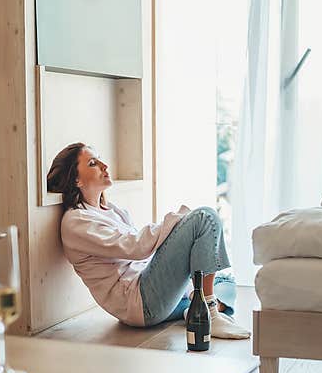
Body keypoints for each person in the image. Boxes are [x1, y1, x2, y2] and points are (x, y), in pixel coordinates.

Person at [46, 142, 251, 339]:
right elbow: (136, 248)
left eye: (100, 159)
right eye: (93, 163)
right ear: (76, 180)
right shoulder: (77, 221)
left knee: (225, 281)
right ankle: (209, 315)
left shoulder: (111, 210)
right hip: (140, 301)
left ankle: (193, 310)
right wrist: (177, 222)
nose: (104, 165)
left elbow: (141, 253)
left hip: (151, 293)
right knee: (205, 217)